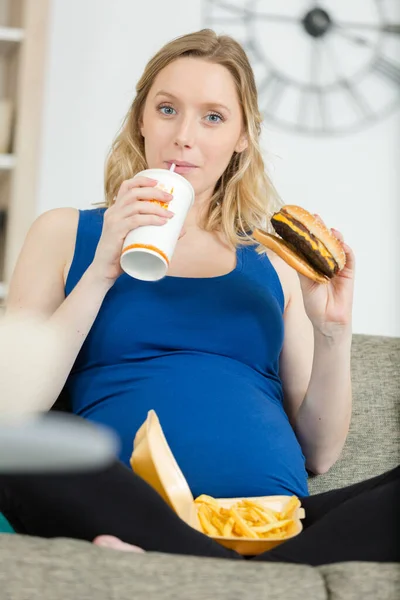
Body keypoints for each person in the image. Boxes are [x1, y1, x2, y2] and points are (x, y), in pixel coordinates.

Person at [0, 29, 398, 565]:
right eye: (167, 109)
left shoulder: (275, 261)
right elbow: (11, 408)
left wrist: (332, 331)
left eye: (213, 117)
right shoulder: (66, 234)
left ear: (242, 137)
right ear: (141, 118)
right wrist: (102, 269)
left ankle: (206, 569)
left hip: (277, 523)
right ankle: (249, 579)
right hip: (132, 509)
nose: (184, 135)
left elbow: (321, 456)